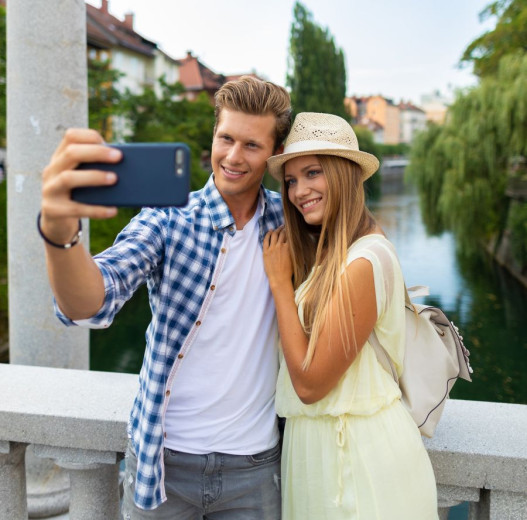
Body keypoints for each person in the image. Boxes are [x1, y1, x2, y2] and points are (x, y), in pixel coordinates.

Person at [39, 76, 292, 519]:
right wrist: (60, 235)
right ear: (212, 136)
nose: (233, 156)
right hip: (164, 463)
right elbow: (91, 301)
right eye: (225, 138)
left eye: (251, 145)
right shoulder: (167, 218)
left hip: (255, 466)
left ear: (274, 154)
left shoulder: (290, 223)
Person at [263, 112, 439, 519]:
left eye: (312, 173)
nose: (298, 191)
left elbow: (310, 385)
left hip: (358, 461)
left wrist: (278, 283)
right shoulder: (339, 254)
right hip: (327, 453)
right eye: (291, 180)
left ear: (344, 174)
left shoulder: (363, 261)